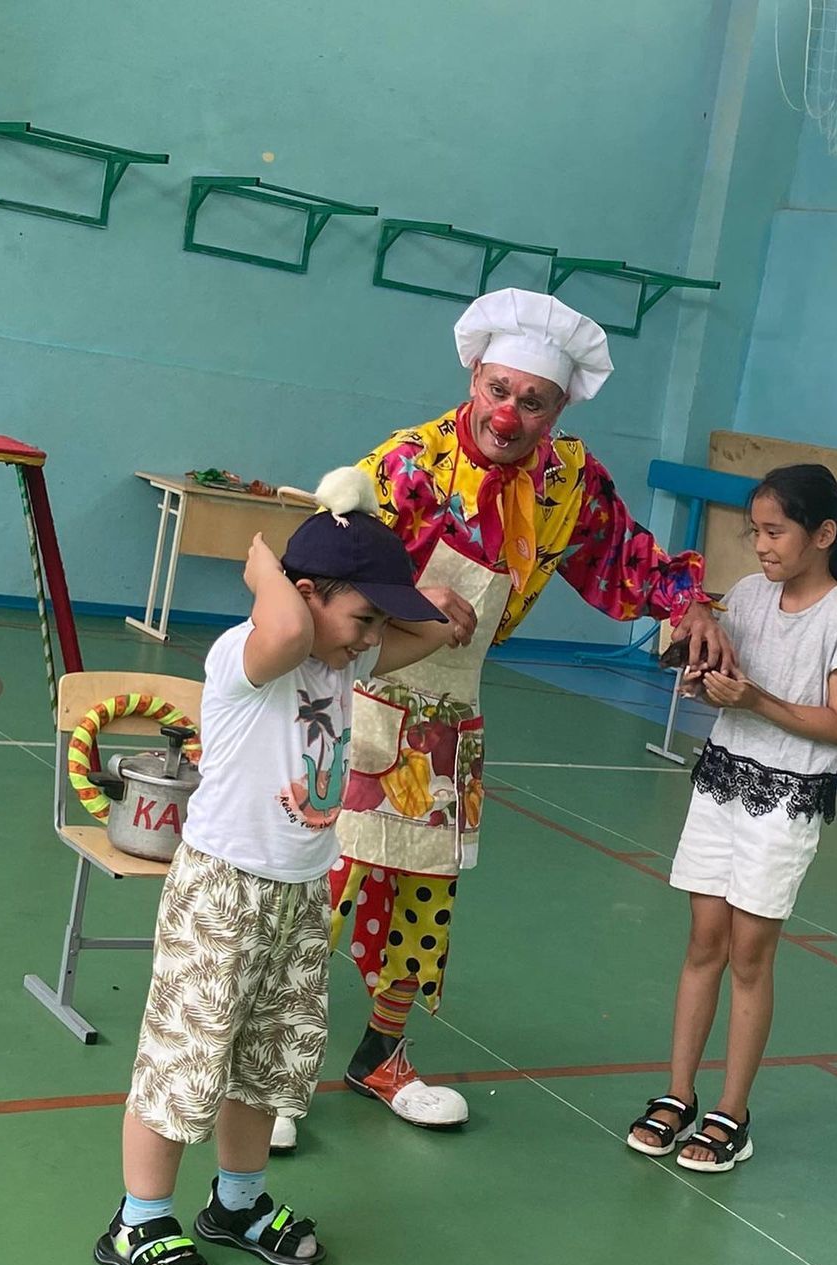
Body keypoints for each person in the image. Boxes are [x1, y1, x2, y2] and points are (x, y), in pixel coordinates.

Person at [272, 287, 734, 1147]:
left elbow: (625, 560)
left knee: (422, 903)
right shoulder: (410, 462)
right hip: (359, 695)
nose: (509, 416)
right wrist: (407, 594)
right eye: (499, 391)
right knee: (316, 892)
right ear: (474, 378)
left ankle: (381, 1055)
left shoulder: (569, 482)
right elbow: (317, 563)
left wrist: (689, 602)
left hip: (453, 717)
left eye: (534, 402)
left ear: (558, 411)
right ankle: (272, 1070)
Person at [94, 470, 457, 1265]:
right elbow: (290, 624)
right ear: (304, 594)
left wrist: (407, 607)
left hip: (298, 894)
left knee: (268, 1059)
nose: (370, 638)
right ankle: (139, 1219)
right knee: (185, 1057)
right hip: (222, 892)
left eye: (376, 625)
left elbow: (421, 634)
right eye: (362, 618)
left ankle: (237, 1203)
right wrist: (265, 565)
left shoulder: (336, 661)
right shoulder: (248, 654)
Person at [626, 463, 837, 1172]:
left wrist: (755, 699)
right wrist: (706, 682)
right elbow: (724, 687)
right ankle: (679, 1095)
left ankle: (733, 1112)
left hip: (786, 798)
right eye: (756, 531)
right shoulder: (746, 595)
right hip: (722, 782)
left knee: (749, 955)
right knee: (703, 941)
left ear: (822, 535)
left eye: (776, 531)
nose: (761, 545)